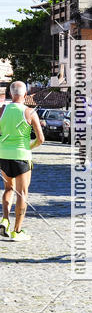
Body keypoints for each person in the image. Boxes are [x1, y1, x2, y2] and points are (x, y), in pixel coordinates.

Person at [0, 81, 44, 240]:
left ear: (11, 94)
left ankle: (4, 219)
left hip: (3, 155)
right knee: (22, 193)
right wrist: (29, 146)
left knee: (8, 189)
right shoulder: (30, 112)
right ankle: (17, 231)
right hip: (22, 156)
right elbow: (41, 139)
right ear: (25, 95)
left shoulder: (2, 110)